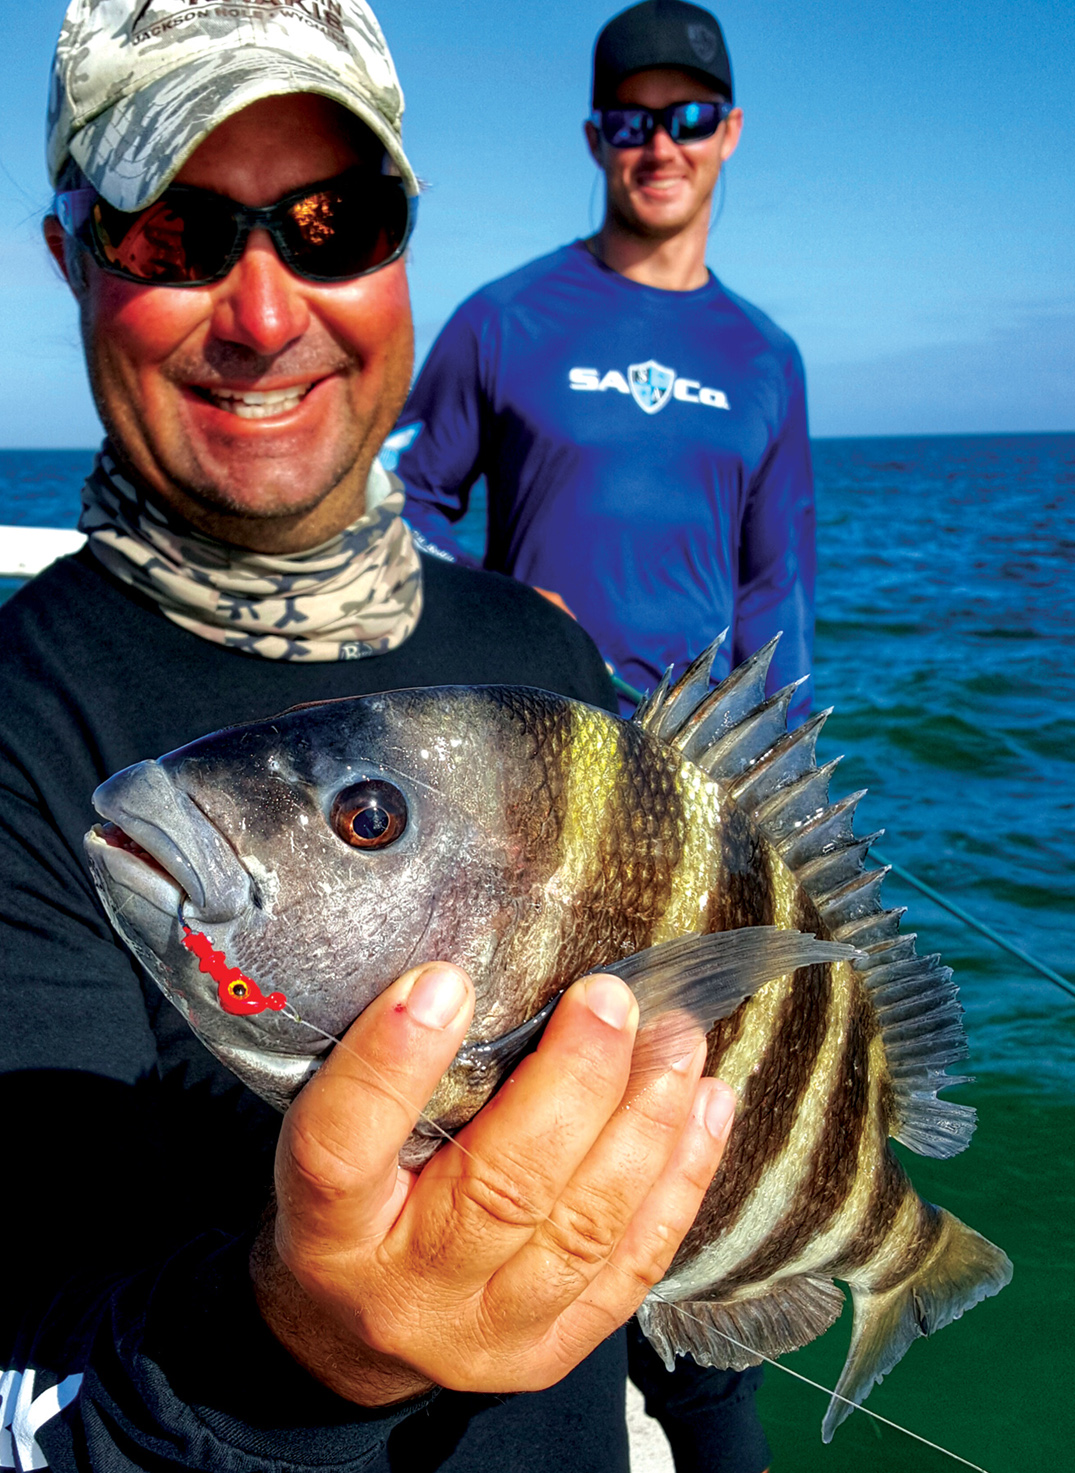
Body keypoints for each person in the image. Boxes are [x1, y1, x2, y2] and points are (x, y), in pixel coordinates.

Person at [0, 3, 742, 1472]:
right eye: (171, 230)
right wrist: (299, 1346)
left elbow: (684, 1165)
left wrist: (726, 1444)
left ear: (403, 245)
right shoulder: (23, 732)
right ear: (70, 255)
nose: (266, 311)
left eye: (335, 221)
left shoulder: (542, 656)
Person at [395, 0, 815, 722]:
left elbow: (775, 587)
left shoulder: (769, 360)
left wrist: (786, 754)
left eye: (691, 119)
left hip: (696, 762)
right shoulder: (502, 319)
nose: (660, 147)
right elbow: (400, 498)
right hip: (534, 741)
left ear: (730, 132)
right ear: (596, 140)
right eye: (631, 123)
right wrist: (499, 604)